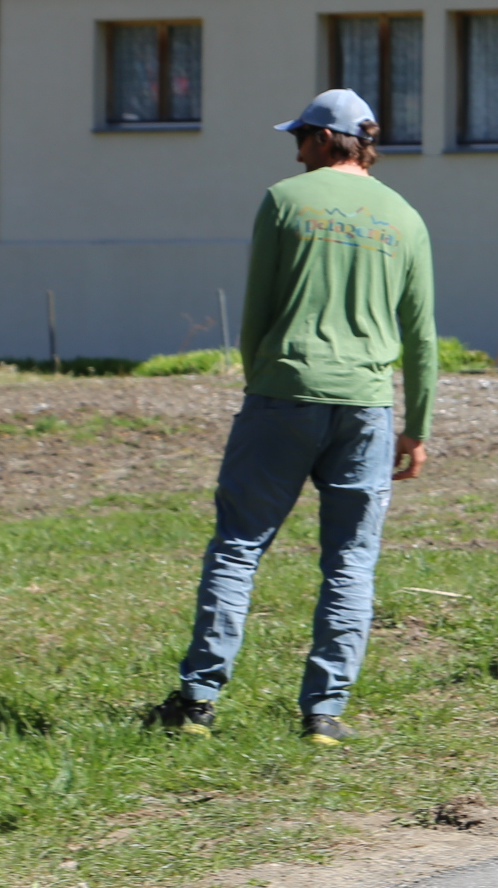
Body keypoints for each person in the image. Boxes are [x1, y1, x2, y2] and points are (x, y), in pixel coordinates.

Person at [148, 88, 436, 744]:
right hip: (365, 408)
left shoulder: (283, 201)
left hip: (283, 393)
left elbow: (257, 310)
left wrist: (262, 381)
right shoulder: (406, 218)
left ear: (325, 138)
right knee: (351, 561)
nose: (296, 149)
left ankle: (197, 703)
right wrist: (416, 427)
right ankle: (324, 715)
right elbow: (420, 335)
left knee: (239, 544)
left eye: (300, 136)